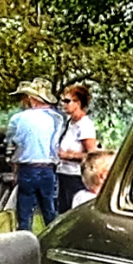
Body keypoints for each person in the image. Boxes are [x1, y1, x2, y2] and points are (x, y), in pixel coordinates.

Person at [8, 80, 61, 233]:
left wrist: (15, 171)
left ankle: (23, 245)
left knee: (24, 214)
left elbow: (13, 146)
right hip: (48, 170)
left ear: (31, 98)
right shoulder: (57, 119)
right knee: (49, 212)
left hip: (27, 169)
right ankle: (52, 240)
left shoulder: (18, 119)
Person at [54, 83, 99, 215]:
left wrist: (69, 156)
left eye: (67, 101)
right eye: (63, 101)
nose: (64, 104)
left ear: (78, 103)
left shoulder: (84, 125)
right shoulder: (69, 123)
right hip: (64, 174)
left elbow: (92, 155)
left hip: (76, 176)